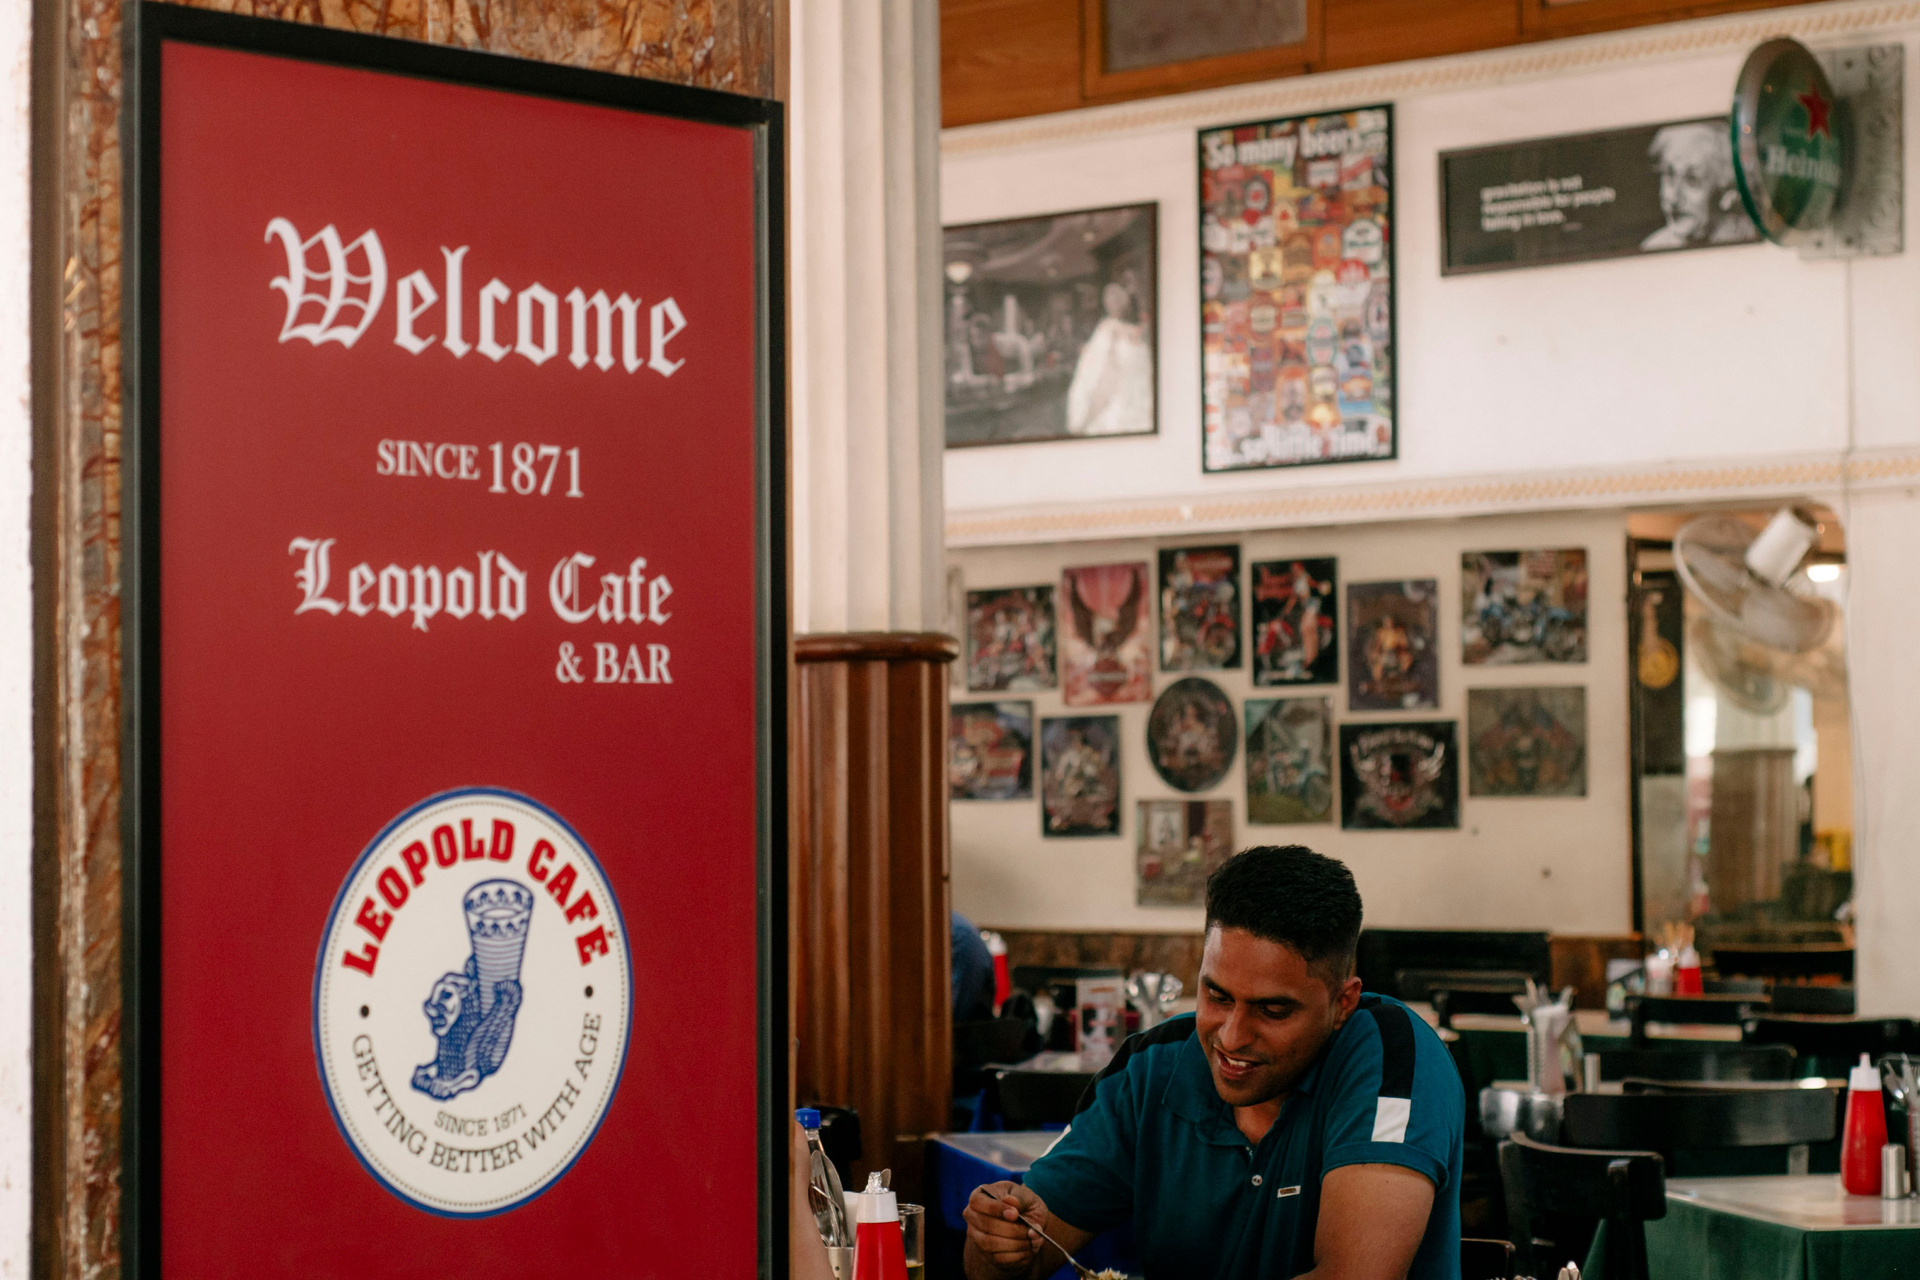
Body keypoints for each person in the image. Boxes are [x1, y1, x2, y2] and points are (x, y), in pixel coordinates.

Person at [963, 846, 1463, 1280]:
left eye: (1273, 1010)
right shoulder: (1151, 1069)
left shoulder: (1391, 1057)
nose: (1232, 1036)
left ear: (1343, 1003)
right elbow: (1012, 1264)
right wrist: (999, 1245)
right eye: (1217, 996)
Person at [1641, 121, 1757, 250]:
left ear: (1725, 190)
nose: (1673, 198)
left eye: (1692, 179)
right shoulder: (1653, 247)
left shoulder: (1749, 241)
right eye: (1669, 176)